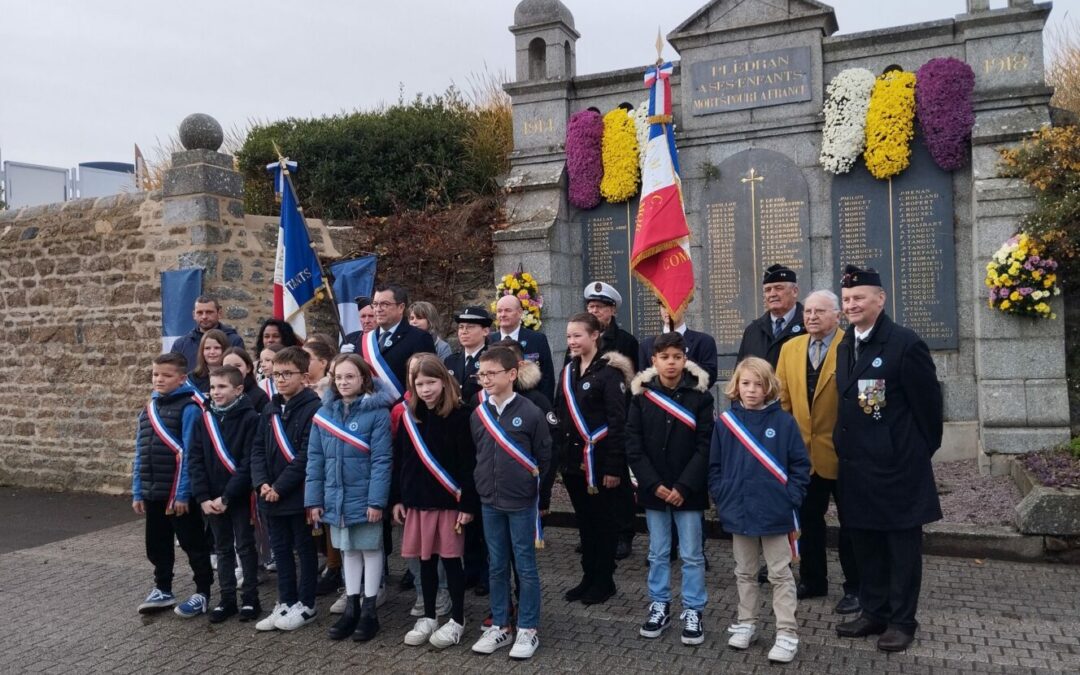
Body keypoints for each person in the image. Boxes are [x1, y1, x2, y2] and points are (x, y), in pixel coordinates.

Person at [833, 265, 943, 653]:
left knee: (901, 550)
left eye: (859, 298)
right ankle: (874, 611)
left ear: (880, 299)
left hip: (897, 471)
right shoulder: (846, 343)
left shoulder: (904, 343)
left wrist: (906, 454)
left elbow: (929, 412)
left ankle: (901, 621)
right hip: (857, 471)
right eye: (846, 299)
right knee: (866, 544)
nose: (851, 305)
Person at [709, 356, 810, 664]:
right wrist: (722, 495)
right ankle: (747, 622)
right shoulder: (725, 424)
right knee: (744, 572)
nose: (752, 390)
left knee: (780, 574)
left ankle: (786, 632)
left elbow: (800, 467)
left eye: (759, 384)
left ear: (769, 388)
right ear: (736, 386)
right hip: (738, 511)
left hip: (774, 514)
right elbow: (715, 467)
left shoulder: (784, 422)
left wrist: (789, 498)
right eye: (746, 383)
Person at [626, 332, 714, 646]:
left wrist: (683, 485)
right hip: (655, 489)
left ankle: (693, 609)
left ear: (685, 358)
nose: (671, 363)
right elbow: (633, 446)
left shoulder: (700, 396)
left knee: (691, 555)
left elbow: (705, 446)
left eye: (677, 357)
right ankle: (659, 604)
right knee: (658, 552)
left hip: (687, 491)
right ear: (654, 360)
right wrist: (655, 484)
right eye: (665, 358)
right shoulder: (640, 396)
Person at [775, 290, 860, 615]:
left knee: (851, 524)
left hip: (843, 454)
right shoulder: (790, 348)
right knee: (808, 522)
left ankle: (855, 587)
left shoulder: (851, 346)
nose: (811, 317)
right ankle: (812, 580)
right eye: (807, 311)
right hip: (803, 456)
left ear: (837, 315)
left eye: (819, 311)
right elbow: (782, 402)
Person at [469, 347, 552, 660]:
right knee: (497, 564)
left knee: (525, 566)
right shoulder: (478, 414)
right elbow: (477, 452)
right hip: (489, 500)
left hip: (521, 503)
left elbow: (544, 457)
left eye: (492, 373)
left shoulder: (530, 412)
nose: (485, 379)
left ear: (512, 374)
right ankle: (501, 624)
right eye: (482, 374)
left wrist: (539, 499)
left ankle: (528, 627)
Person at [306, 354, 395, 642]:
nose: (343, 382)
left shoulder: (378, 413)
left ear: (364, 379)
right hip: (335, 496)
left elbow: (382, 461)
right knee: (348, 551)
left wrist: (376, 502)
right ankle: (352, 605)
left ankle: (370, 610)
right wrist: (314, 500)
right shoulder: (324, 414)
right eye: (339, 377)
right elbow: (315, 459)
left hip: (365, 497)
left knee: (369, 550)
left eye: (350, 377)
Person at [392, 355, 478, 649]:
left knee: (452, 563)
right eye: (420, 384)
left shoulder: (460, 416)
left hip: (448, 503)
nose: (426, 389)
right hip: (418, 501)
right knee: (425, 562)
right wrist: (398, 499)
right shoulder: (410, 416)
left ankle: (457, 619)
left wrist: (467, 504)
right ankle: (428, 616)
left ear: (444, 381)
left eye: (431, 382)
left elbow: (469, 465)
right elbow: (400, 460)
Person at [554, 312, 634, 606]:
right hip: (574, 464)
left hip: (600, 465)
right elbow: (559, 415)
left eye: (577, 336)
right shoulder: (568, 372)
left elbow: (618, 422)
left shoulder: (609, 374)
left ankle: (604, 581)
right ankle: (588, 577)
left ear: (594, 335)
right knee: (585, 525)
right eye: (568, 336)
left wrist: (614, 466)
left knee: (603, 524)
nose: (572, 341)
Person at [132, 353, 214, 618]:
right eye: (156, 375)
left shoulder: (189, 408)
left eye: (166, 376)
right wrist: (138, 490)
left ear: (181, 378)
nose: (159, 380)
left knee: (193, 543)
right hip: (153, 489)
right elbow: (140, 452)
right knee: (156, 544)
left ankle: (202, 591)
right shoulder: (148, 409)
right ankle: (162, 588)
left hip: (179, 495)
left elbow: (189, 453)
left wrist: (182, 493)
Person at [250, 347, 323, 632]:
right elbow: (257, 449)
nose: (280, 379)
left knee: (304, 550)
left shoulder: (313, 408)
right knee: (280, 551)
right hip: (270, 494)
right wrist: (262, 483)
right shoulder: (270, 408)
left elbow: (307, 455)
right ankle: (285, 600)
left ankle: (306, 604)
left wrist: (280, 486)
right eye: (276, 374)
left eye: (287, 374)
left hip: (298, 493)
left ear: (304, 377)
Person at [187, 365, 261, 623]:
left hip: (237, 496)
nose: (215, 392)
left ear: (238, 389)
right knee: (222, 548)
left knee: (245, 546)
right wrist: (203, 498)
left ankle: (250, 598)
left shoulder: (251, 418)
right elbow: (194, 459)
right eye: (213, 387)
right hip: (211, 498)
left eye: (222, 387)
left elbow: (248, 462)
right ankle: (227, 598)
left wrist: (227, 496)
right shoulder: (202, 419)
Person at [577, 282, 639, 559]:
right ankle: (595, 532)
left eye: (599, 308)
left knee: (618, 479)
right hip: (587, 421)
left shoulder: (625, 342)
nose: (594, 311)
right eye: (590, 307)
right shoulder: (582, 340)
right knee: (589, 478)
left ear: (612, 310)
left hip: (615, 420)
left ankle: (624, 534)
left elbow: (634, 383)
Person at [349, 284, 437, 402]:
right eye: (375, 304)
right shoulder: (364, 340)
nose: (378, 309)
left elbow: (427, 379)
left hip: (404, 412)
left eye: (384, 304)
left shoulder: (419, 338)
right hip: (369, 411)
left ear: (401, 307)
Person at [637, 300, 719, 388]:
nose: (667, 310)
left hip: (692, 399)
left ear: (685, 306)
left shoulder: (704, 341)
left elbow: (710, 378)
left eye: (673, 305)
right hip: (658, 400)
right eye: (663, 306)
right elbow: (643, 382)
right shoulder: (646, 345)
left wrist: (684, 361)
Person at [736, 265, 806, 367]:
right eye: (768, 290)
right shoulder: (752, 331)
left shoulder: (809, 326)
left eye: (778, 288)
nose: (772, 294)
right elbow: (740, 374)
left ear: (794, 291)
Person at [494, 294, 555, 401]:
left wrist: (544, 406)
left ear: (520, 312)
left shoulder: (537, 339)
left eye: (508, 310)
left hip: (531, 403)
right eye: (499, 311)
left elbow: (547, 378)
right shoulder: (489, 340)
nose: (502, 314)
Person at [169, 295, 245, 368]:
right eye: (200, 313)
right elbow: (173, 373)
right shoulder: (181, 345)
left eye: (209, 312)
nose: (204, 316)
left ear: (219, 313)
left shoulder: (234, 341)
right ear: (194, 315)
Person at [444, 306, 493, 409]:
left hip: (481, 416)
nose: (464, 331)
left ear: (485, 331)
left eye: (470, 327)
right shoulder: (450, 361)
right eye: (461, 327)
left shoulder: (492, 360)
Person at [222, 347, 270, 414]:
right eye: (227, 366)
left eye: (238, 366)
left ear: (248, 368)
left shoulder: (260, 396)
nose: (232, 370)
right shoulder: (217, 393)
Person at [189, 329, 229, 394]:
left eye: (217, 348)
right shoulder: (192, 378)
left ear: (225, 349)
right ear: (202, 351)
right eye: (207, 348)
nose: (212, 352)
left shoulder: (233, 376)